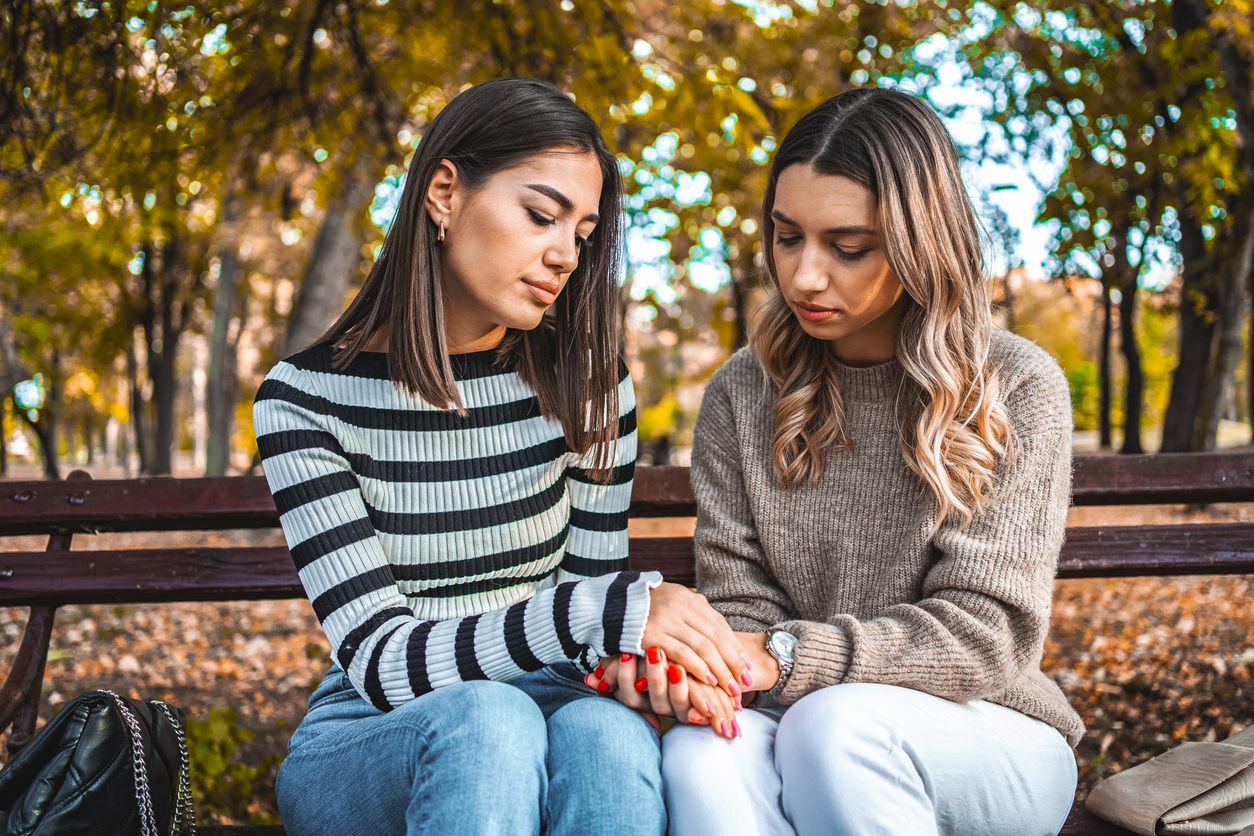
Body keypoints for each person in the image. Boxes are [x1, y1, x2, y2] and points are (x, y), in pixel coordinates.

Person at [252, 77, 748, 836]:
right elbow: (384, 663)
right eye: (540, 215)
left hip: (551, 702)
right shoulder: (305, 400)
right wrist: (604, 610)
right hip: (371, 734)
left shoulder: (589, 386)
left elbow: (589, 620)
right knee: (488, 722)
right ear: (444, 193)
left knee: (610, 736)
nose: (563, 257)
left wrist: (647, 665)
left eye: (581, 236)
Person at [594, 87, 1083, 836]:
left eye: (848, 248)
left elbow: (986, 634)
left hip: (990, 734)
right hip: (800, 715)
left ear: (922, 241)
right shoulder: (742, 393)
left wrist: (784, 659)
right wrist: (699, 671)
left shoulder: (1015, 385)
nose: (805, 278)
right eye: (787, 238)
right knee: (701, 756)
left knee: (837, 728)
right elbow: (742, 606)